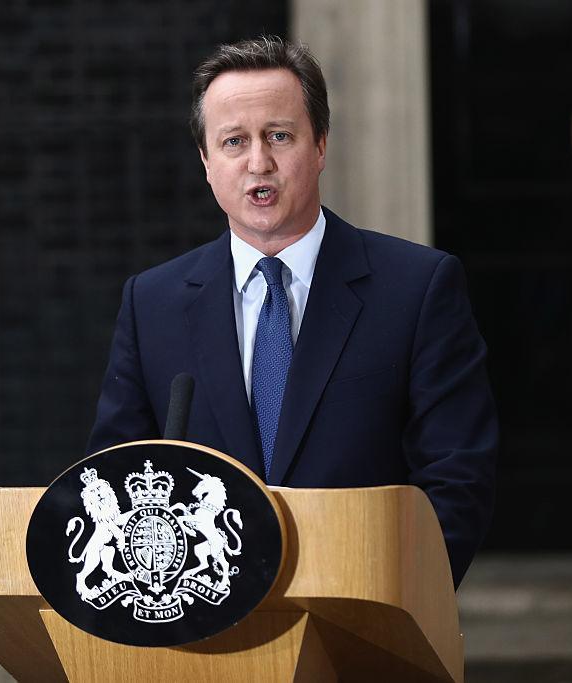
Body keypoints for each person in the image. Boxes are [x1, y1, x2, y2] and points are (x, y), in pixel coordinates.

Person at [86, 36, 497, 587]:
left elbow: (457, 475)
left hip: (367, 620)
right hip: (205, 634)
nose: (260, 162)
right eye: (234, 142)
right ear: (207, 163)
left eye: (279, 136)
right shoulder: (151, 303)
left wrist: (400, 598)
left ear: (321, 145)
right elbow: (112, 475)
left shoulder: (417, 289)